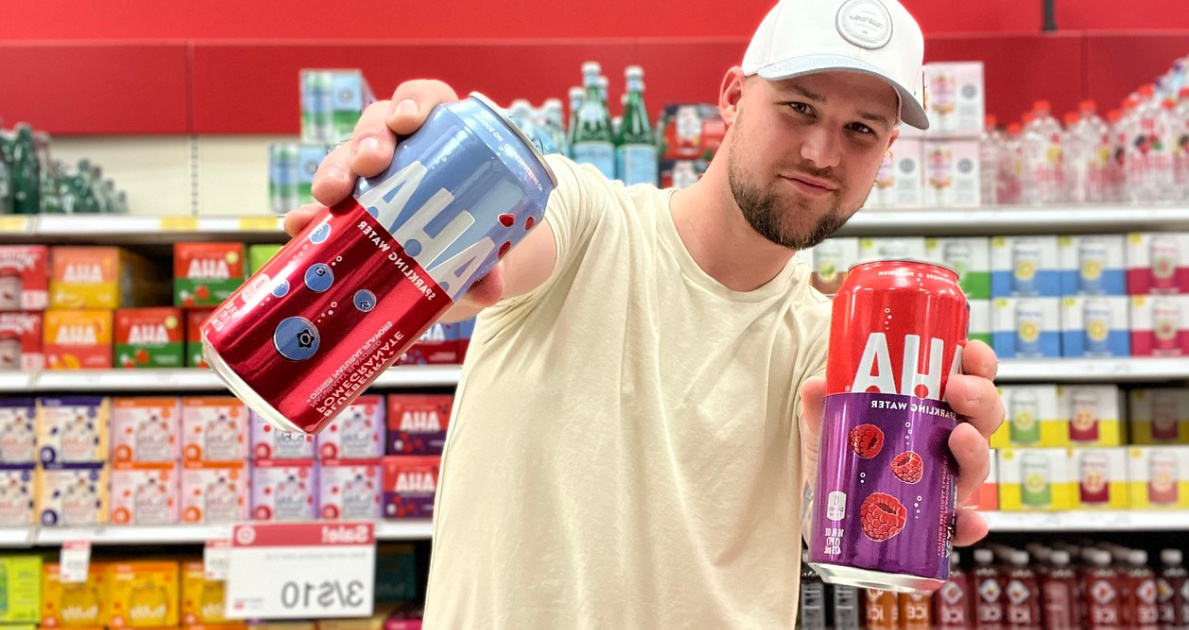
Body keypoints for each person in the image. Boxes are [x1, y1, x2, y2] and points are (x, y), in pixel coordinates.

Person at [285, 0, 1003, 626]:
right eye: (799, 107)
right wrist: (436, 194)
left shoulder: (836, 352)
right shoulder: (586, 215)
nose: (822, 151)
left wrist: (885, 487)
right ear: (732, 96)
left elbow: (840, 524)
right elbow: (511, 245)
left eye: (862, 131)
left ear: (887, 151)